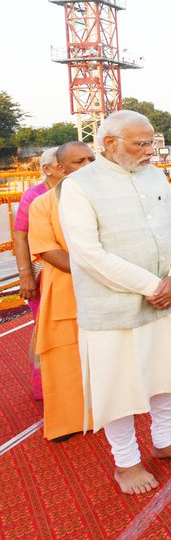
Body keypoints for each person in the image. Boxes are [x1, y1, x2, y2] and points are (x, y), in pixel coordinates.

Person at [58, 110, 171, 495]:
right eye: (141, 143)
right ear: (109, 143)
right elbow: (88, 253)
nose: (150, 151)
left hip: (167, 297)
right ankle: (126, 464)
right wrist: (151, 285)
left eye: (152, 142)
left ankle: (164, 440)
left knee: (165, 372)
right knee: (118, 386)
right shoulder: (79, 186)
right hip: (115, 306)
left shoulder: (155, 174)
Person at [27, 141, 95, 440]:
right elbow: (46, 250)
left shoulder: (105, 199)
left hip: (105, 290)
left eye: (91, 160)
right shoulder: (42, 203)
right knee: (64, 360)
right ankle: (67, 421)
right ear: (60, 168)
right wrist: (96, 270)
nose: (86, 167)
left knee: (105, 356)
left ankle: (106, 413)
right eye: (78, 162)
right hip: (65, 290)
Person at [13, 147, 59, 399]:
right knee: (45, 331)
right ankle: (46, 387)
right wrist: (25, 276)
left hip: (75, 274)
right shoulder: (34, 196)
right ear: (48, 169)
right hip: (44, 274)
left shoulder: (78, 192)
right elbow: (20, 237)